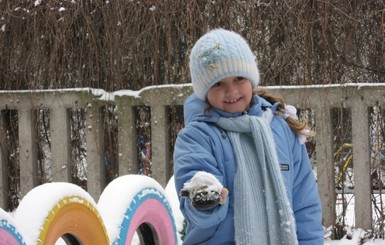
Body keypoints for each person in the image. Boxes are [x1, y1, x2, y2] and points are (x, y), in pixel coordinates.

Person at [173, 29, 324, 245]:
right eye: (218, 83)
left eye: (239, 79)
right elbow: (196, 197)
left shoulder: (281, 129)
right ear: (204, 91)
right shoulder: (196, 137)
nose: (231, 91)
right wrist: (205, 200)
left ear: (251, 79)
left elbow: (304, 202)